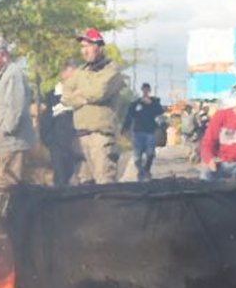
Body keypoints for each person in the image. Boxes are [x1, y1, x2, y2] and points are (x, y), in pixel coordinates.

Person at [61, 28, 130, 184]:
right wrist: (82, 99)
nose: (84, 51)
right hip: (80, 137)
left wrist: (79, 92)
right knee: (83, 186)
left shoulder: (112, 70)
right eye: (82, 47)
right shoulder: (81, 71)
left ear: (99, 47)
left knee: (104, 185)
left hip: (101, 138)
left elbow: (99, 92)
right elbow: (65, 95)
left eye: (88, 46)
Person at [0, 34, 33, 220]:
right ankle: (12, 225)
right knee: (3, 184)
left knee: (7, 185)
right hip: (4, 143)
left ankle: (13, 225)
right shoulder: (3, 76)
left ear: (2, 54)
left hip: (11, 143)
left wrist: (5, 130)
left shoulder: (14, 74)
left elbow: (15, 107)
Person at [42, 60, 81, 187]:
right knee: (60, 176)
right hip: (57, 139)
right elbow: (46, 119)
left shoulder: (81, 94)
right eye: (72, 74)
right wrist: (48, 139)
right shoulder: (51, 95)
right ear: (63, 74)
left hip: (76, 139)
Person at [121, 82, 165, 181]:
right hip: (138, 133)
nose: (145, 91)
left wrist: (152, 104)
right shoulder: (135, 104)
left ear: (149, 90)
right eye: (143, 89)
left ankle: (146, 170)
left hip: (150, 132)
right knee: (137, 157)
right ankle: (141, 172)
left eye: (147, 89)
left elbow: (160, 112)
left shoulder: (154, 102)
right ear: (141, 90)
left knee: (150, 154)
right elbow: (129, 116)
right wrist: (124, 129)